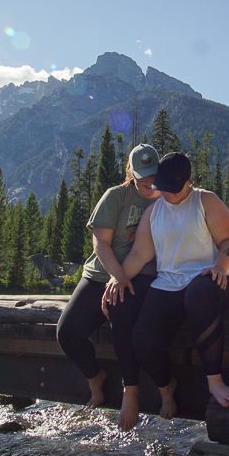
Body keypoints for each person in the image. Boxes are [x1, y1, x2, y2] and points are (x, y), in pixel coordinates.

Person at [105, 151, 229, 417]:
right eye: (163, 189)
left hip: (211, 281)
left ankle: (215, 380)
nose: (167, 194)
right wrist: (117, 279)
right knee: (142, 340)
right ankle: (166, 385)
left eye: (173, 190)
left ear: (187, 181)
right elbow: (139, 255)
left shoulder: (205, 201)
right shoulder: (154, 212)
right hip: (169, 283)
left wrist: (220, 267)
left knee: (198, 294)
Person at [56, 143, 160, 431]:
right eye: (143, 176)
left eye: (153, 175)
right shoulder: (115, 197)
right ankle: (95, 377)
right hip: (101, 274)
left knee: (122, 317)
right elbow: (100, 243)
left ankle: (131, 389)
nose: (149, 182)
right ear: (130, 172)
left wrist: (125, 280)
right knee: (67, 332)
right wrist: (117, 276)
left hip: (142, 275)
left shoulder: (165, 200)